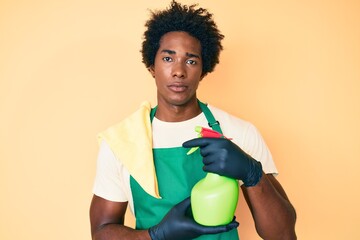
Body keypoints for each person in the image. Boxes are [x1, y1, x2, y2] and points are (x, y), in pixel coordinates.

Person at [89, 1, 297, 239]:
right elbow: (101, 233)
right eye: (168, 58)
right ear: (151, 66)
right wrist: (156, 235)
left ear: (203, 69)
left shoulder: (239, 132)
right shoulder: (123, 142)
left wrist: (252, 173)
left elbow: (283, 234)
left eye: (191, 61)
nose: (179, 71)